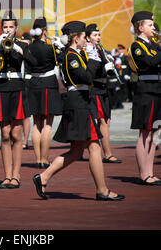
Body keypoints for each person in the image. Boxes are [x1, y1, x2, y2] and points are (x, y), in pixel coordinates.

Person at [32, 20, 125, 201]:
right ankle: (102, 190)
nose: (86, 41)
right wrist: (94, 60)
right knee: (94, 147)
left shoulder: (76, 54)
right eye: (84, 37)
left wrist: (102, 63)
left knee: (76, 152)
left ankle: (43, 177)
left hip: (81, 101)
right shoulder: (70, 56)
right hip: (78, 104)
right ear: (75, 38)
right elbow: (87, 76)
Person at [0, 10, 33, 189]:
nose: (8, 30)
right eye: (5, 27)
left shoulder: (23, 44)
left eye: (11, 27)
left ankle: (16, 175)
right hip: (1, 88)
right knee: (4, 134)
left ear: (16, 29)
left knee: (16, 134)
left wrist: (16, 47)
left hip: (16, 88)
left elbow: (31, 60)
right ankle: (7, 175)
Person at [129, 11, 161, 185]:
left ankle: (150, 172)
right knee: (145, 135)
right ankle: (143, 174)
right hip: (146, 91)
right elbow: (150, 62)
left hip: (156, 89)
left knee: (154, 135)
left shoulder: (153, 44)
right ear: (140, 28)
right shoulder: (137, 46)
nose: (153, 28)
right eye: (150, 25)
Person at [28, 17, 63, 168]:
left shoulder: (28, 48)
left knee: (36, 123)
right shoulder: (50, 48)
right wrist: (58, 44)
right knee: (47, 123)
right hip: (48, 84)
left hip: (33, 84)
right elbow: (61, 58)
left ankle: (37, 159)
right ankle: (44, 158)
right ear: (44, 31)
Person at [85, 23, 122, 164]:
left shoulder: (99, 49)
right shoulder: (87, 51)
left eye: (99, 34)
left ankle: (105, 152)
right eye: (95, 35)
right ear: (87, 38)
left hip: (103, 88)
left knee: (105, 120)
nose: (98, 37)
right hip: (94, 88)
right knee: (102, 121)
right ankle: (107, 154)